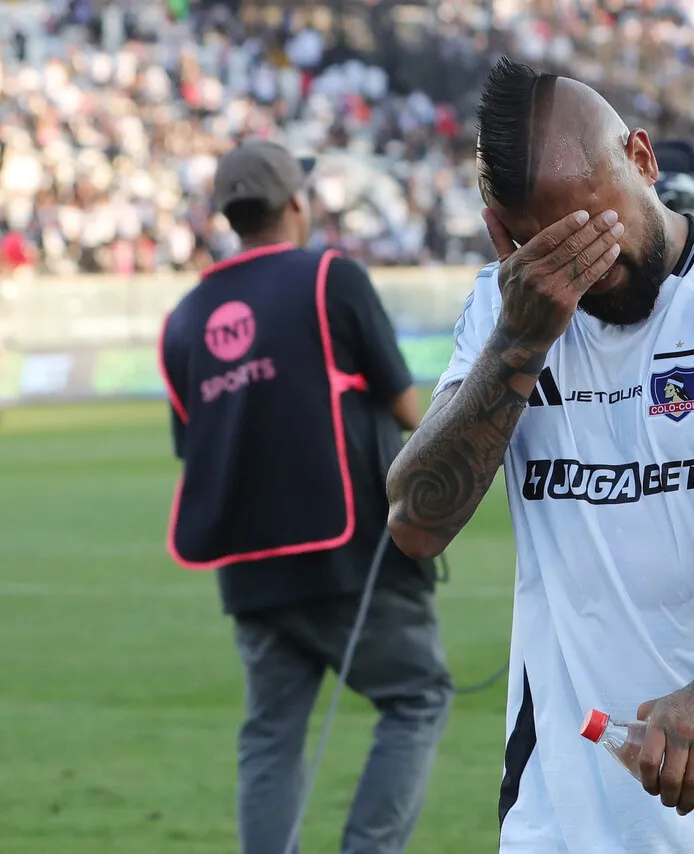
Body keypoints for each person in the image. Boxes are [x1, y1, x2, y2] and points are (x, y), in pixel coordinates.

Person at [387, 58, 694, 854]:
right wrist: (520, 338)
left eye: (600, 226)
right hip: (562, 822)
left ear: (643, 160)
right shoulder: (504, 310)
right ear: (504, 234)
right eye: (552, 248)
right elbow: (415, 523)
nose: (591, 269)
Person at [158, 138, 453, 854]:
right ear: (296, 202)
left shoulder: (186, 316)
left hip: (248, 568)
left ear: (229, 216)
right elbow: (409, 408)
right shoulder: (331, 278)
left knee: (270, 737)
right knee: (417, 697)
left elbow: (188, 444)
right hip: (348, 553)